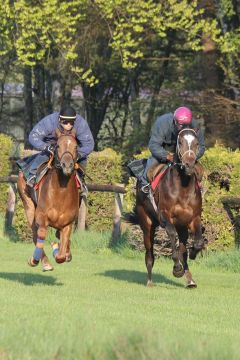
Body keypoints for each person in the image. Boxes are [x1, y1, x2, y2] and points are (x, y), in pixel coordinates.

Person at [24, 105, 94, 187]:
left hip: (72, 148)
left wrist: (79, 154)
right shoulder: (49, 122)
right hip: (53, 145)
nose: (68, 125)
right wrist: (45, 147)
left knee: (83, 159)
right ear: (59, 120)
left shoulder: (80, 124)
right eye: (65, 122)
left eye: (71, 123)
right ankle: (32, 175)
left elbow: (89, 144)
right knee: (44, 155)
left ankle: (82, 183)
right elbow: (33, 136)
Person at [141, 106, 205, 193]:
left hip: (185, 151)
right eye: (180, 125)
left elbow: (201, 146)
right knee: (151, 164)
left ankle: (200, 188)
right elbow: (153, 144)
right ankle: (145, 186)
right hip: (164, 148)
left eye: (185, 125)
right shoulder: (162, 123)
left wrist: (191, 156)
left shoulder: (194, 125)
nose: (182, 127)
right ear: (174, 121)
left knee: (199, 169)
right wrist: (167, 156)